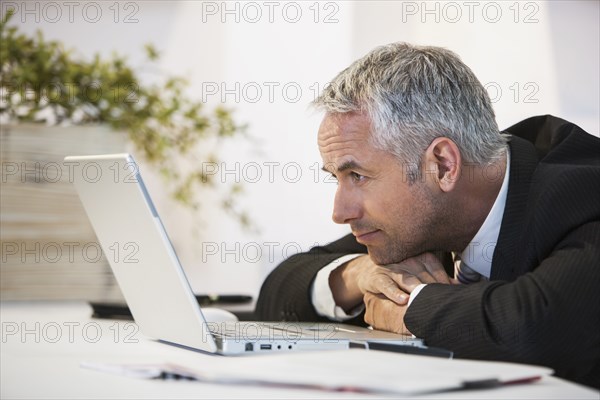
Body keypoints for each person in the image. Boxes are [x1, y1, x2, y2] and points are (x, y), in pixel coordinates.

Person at [255, 42, 600, 388]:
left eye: (357, 176)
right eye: (337, 178)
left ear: (443, 165)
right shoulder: (419, 223)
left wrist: (409, 308)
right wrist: (357, 275)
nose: (340, 212)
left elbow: (540, 329)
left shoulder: (582, 192)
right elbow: (275, 293)